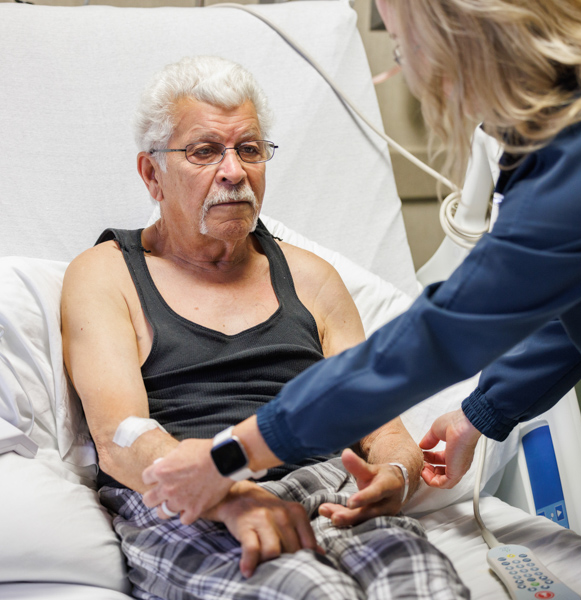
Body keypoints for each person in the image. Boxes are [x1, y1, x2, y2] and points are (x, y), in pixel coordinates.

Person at [144, 0, 581, 521]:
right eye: (202, 152)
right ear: (150, 174)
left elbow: (437, 339)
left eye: (401, 40)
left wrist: (231, 453)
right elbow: (580, 289)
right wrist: (482, 412)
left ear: (461, 33)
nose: (399, 65)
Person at [61, 55, 469, 600]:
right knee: (312, 593)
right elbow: (120, 439)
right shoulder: (107, 274)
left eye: (249, 149)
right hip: (187, 499)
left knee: (430, 588)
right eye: (205, 151)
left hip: (329, 486)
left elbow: (383, 426)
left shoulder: (311, 279)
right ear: (151, 173)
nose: (234, 171)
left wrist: (396, 474)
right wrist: (226, 498)